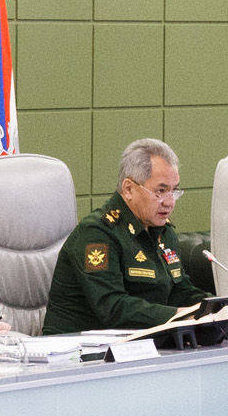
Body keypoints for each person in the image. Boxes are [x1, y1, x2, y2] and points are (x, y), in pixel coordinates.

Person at [42, 139, 209, 331]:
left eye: (174, 191)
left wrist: (218, 309)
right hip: (76, 351)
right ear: (129, 189)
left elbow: (179, 291)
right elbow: (112, 308)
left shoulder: (164, 232)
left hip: (136, 346)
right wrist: (178, 316)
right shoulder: (97, 233)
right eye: (161, 191)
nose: (170, 202)